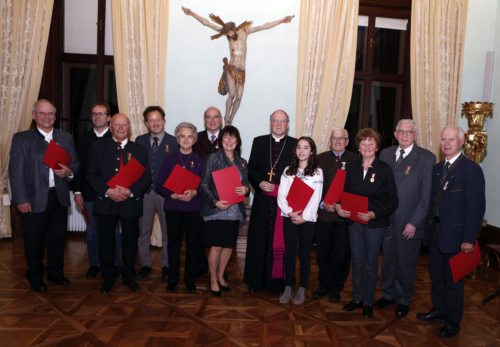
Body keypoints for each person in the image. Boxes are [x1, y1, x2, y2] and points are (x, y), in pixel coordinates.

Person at [417, 126, 485, 338]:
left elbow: (476, 208)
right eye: (444, 139)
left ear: (461, 142)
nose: (446, 143)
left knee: (453, 280)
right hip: (435, 232)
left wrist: (468, 239)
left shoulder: (471, 170)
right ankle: (439, 309)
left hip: (457, 237)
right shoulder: (438, 168)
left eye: (452, 140)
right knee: (436, 277)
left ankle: (453, 320)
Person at [9, 99, 79, 292]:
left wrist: (69, 172)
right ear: (34, 115)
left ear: (55, 116)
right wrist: (21, 199)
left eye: (50, 114)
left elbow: (75, 164)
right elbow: (15, 173)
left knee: (58, 239)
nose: (47, 117)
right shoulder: (22, 139)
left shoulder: (65, 138)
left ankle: (56, 273)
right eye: (42, 113)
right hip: (32, 199)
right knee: (34, 241)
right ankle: (35, 276)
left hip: (59, 197)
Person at [182, 7, 294, 125]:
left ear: (234, 29)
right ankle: (226, 118)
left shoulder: (244, 31)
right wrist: (192, 13)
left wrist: (282, 20)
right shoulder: (227, 35)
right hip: (232, 67)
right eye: (227, 34)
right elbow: (207, 23)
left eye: (230, 32)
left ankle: (231, 117)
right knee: (232, 93)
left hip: (242, 70)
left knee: (239, 97)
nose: (229, 35)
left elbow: (264, 26)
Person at [375, 119, 436, 317]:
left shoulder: (426, 158)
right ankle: (388, 293)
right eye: (401, 131)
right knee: (388, 259)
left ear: (415, 136)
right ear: (395, 134)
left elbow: (427, 198)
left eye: (409, 132)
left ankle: (403, 298)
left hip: (409, 221)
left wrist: (414, 223)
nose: (404, 134)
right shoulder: (385, 154)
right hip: (387, 218)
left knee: (406, 262)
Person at [335, 128, 397, 318]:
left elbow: (393, 201)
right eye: (363, 143)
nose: (367, 146)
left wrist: (373, 214)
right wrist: (339, 207)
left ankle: (368, 301)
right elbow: (341, 195)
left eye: (371, 143)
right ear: (358, 147)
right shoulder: (351, 168)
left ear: (377, 147)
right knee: (357, 261)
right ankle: (357, 298)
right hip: (354, 223)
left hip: (375, 225)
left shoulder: (384, 169)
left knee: (370, 263)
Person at [87, 113, 151, 293]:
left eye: (125, 125)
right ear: (111, 126)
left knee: (130, 242)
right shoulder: (98, 147)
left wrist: (131, 191)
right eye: (117, 125)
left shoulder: (139, 149)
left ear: (129, 127)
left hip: (130, 203)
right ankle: (108, 278)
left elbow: (146, 177)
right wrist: (108, 191)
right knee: (106, 242)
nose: (121, 128)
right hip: (105, 202)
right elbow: (91, 174)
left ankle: (129, 276)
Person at [243, 110, 297, 293]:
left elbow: (298, 172)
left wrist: (283, 188)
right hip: (262, 201)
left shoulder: (294, 144)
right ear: (270, 123)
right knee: (259, 238)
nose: (279, 124)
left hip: (283, 203)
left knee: (281, 241)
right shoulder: (259, 142)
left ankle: (279, 283)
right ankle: (255, 281)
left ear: (287, 124)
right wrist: (259, 182)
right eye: (275, 121)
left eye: (283, 121)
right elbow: (251, 169)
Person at [73, 102, 121, 279]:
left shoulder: (117, 137)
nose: (97, 117)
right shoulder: (83, 139)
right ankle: (94, 264)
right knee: (92, 232)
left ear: (109, 117)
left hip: (113, 194)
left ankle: (115, 264)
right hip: (90, 193)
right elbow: (78, 168)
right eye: (94, 114)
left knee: (114, 233)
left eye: (101, 114)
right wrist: (77, 192)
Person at [199, 125, 249, 296]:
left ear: (238, 141)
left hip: (234, 210)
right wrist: (215, 202)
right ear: (221, 141)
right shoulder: (212, 158)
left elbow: (245, 185)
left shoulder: (242, 162)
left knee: (228, 246)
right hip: (217, 210)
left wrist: (246, 190)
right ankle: (212, 278)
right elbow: (203, 185)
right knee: (216, 246)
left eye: (233, 138)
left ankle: (221, 276)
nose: (229, 141)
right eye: (226, 138)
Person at [156, 122, 205, 293]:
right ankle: (173, 279)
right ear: (177, 139)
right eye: (182, 136)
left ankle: (190, 280)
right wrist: (172, 195)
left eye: (189, 136)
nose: (186, 139)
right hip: (174, 208)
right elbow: (159, 185)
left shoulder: (200, 161)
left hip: (194, 209)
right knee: (173, 245)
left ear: (194, 139)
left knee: (193, 245)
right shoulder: (170, 160)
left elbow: (205, 186)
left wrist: (195, 191)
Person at [313, 128, 358, 303]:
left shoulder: (355, 160)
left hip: (343, 218)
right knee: (323, 253)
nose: (338, 141)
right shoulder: (319, 159)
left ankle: (336, 287)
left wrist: (341, 206)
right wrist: (324, 204)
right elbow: (314, 186)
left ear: (347, 141)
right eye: (334, 138)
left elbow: (356, 188)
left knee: (341, 255)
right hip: (324, 215)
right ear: (330, 140)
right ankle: (323, 285)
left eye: (342, 138)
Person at [277, 136, 323, 305]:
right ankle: (288, 286)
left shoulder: (317, 172)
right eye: (299, 147)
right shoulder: (288, 170)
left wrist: (304, 217)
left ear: (312, 151)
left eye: (306, 147)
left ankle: (302, 288)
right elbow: (281, 195)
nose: (302, 151)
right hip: (289, 217)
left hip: (308, 220)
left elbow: (316, 197)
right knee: (289, 253)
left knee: (304, 254)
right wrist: (290, 213)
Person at [135, 106, 178, 281]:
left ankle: (166, 265)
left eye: (158, 119)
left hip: (166, 194)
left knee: (168, 232)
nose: (155, 123)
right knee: (143, 231)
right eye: (151, 120)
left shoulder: (174, 142)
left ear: (164, 120)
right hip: (145, 193)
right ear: (146, 123)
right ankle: (145, 264)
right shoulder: (139, 140)